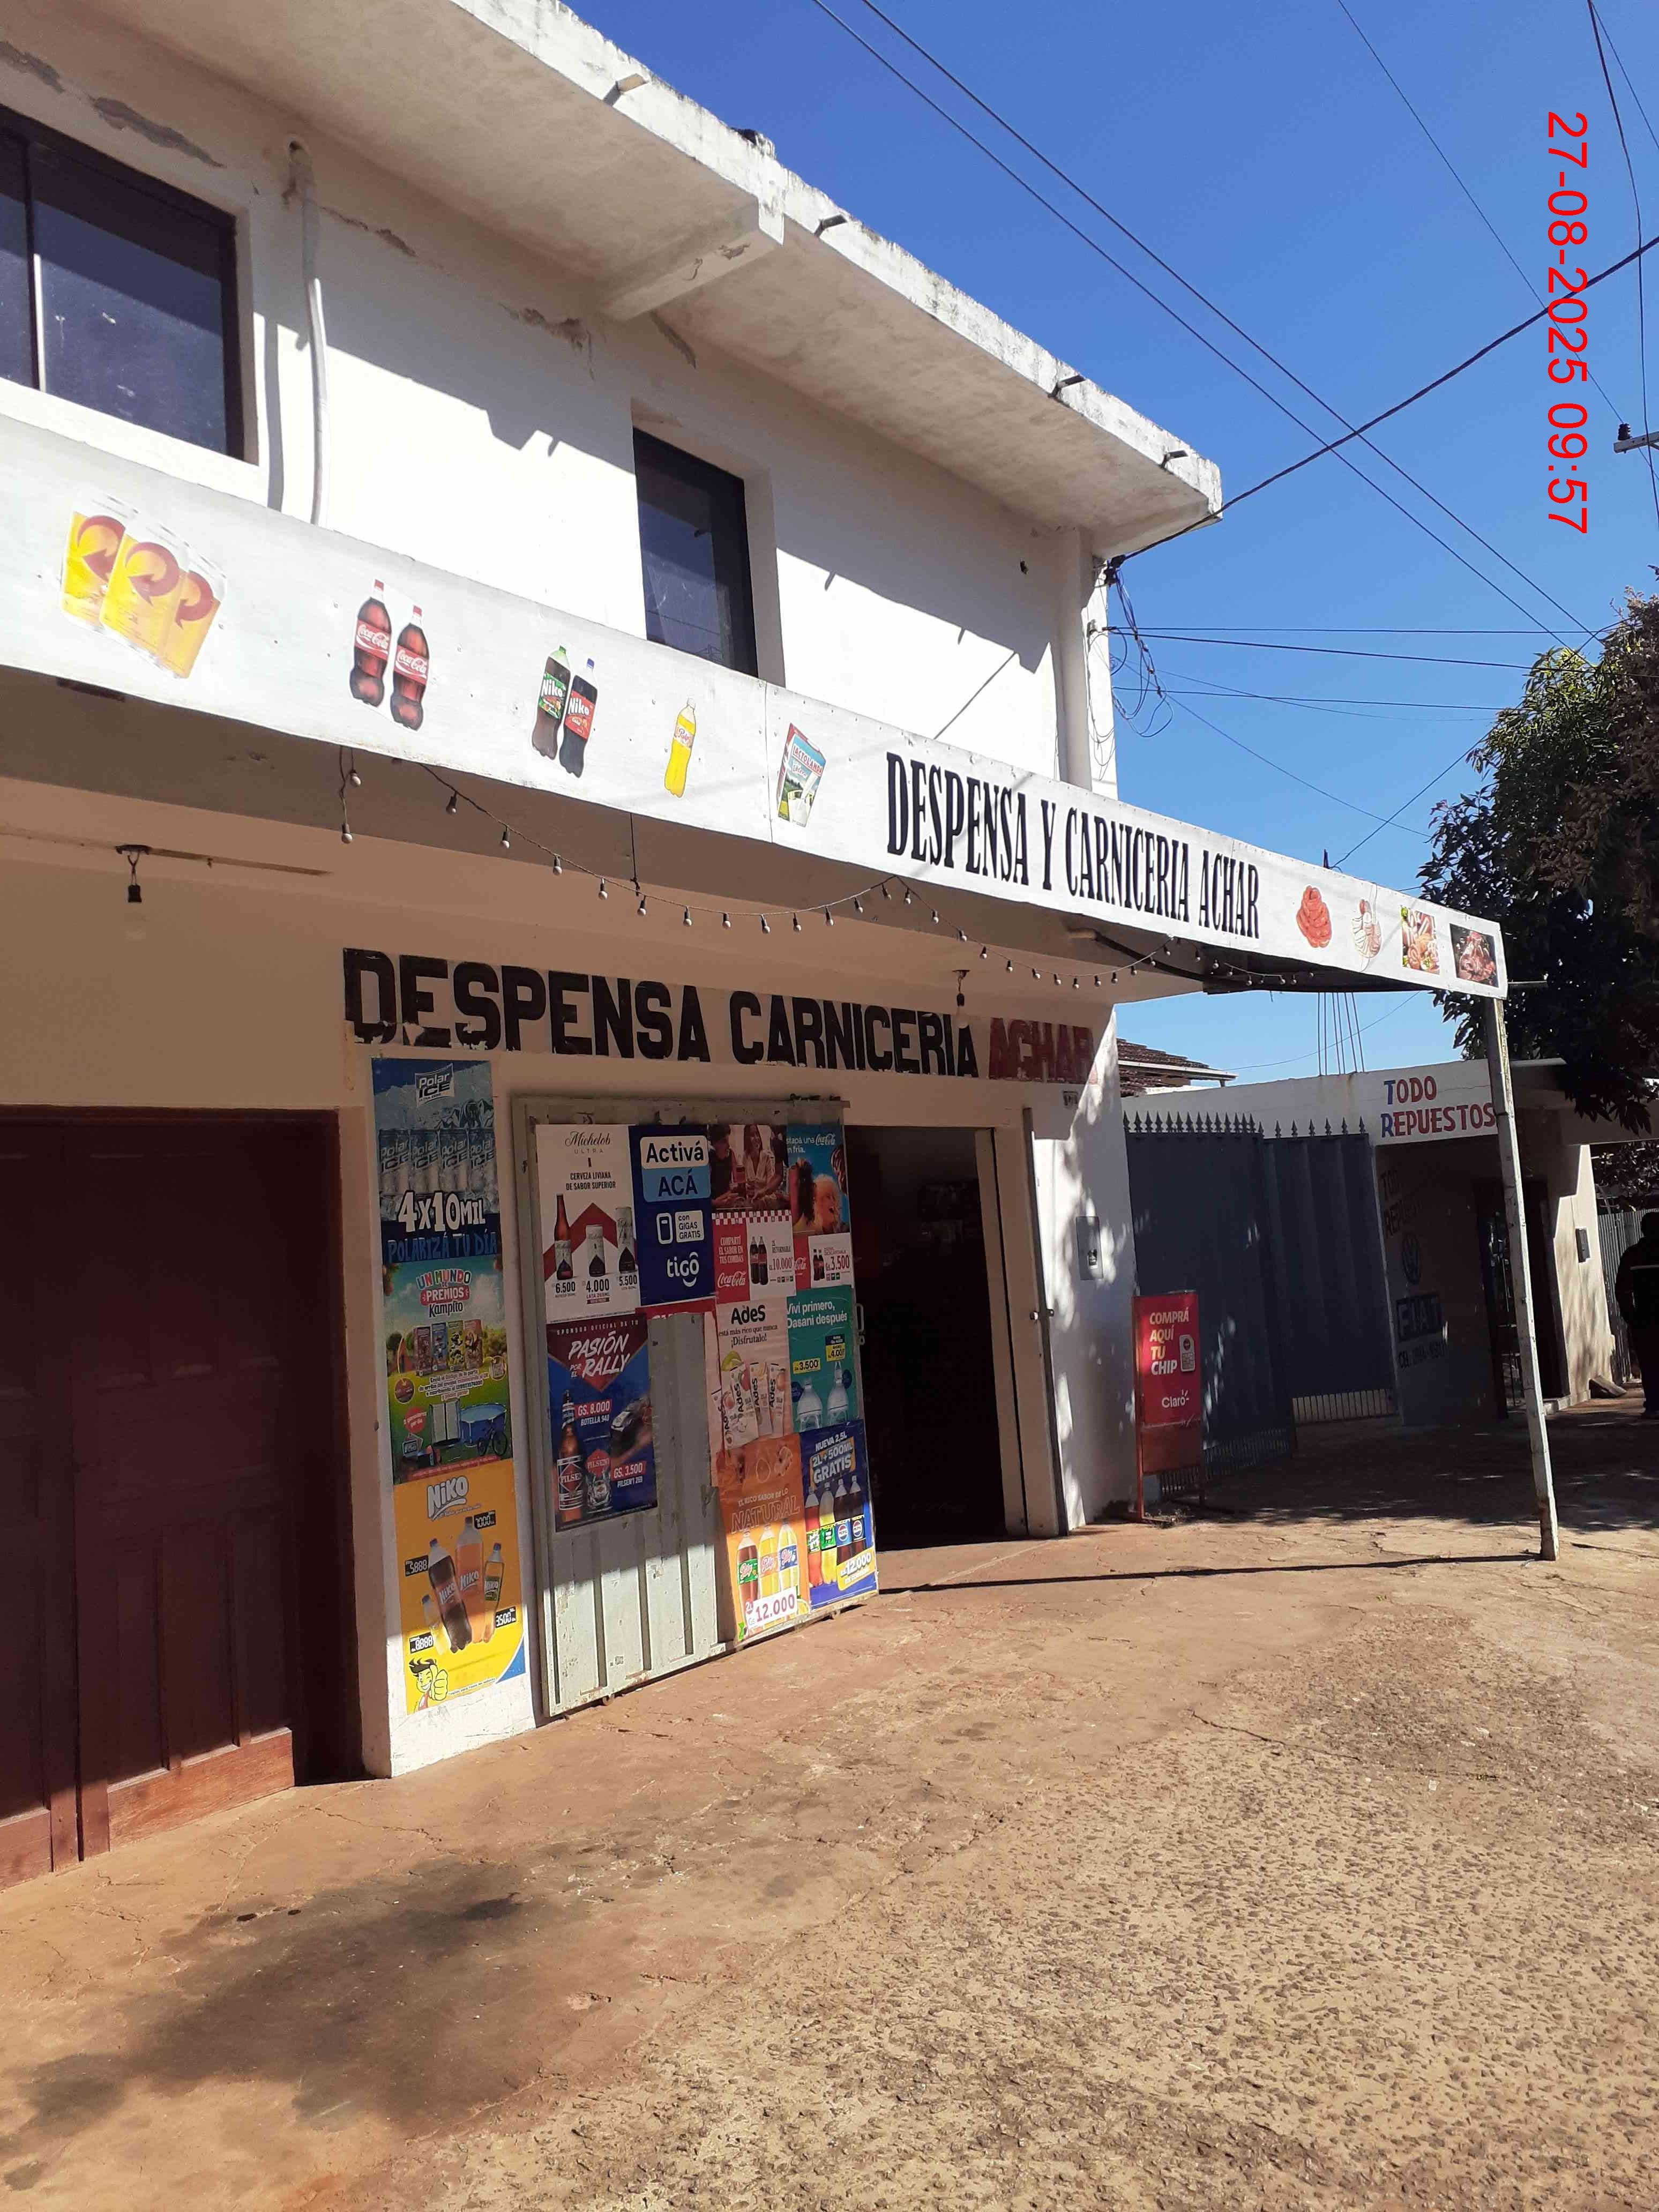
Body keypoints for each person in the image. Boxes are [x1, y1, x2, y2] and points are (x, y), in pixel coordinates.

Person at [1613, 1212, 1659, 1417]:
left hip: (1644, 1321)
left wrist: (1632, 1318)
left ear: (1642, 1230)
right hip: (1644, 1321)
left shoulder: (1633, 1255)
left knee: (1649, 1364)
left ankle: (1654, 1405)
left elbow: (1622, 1291)